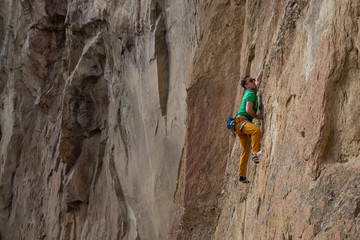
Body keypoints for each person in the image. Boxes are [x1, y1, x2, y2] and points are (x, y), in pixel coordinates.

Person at [236, 70, 263, 183]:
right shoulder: (250, 94)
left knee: (245, 149)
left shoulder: (252, 90)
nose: (253, 81)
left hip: (238, 126)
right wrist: (257, 116)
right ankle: (256, 154)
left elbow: (258, 81)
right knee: (256, 131)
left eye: (252, 80)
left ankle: (242, 176)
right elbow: (248, 110)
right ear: (246, 86)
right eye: (250, 81)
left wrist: (262, 69)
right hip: (241, 121)